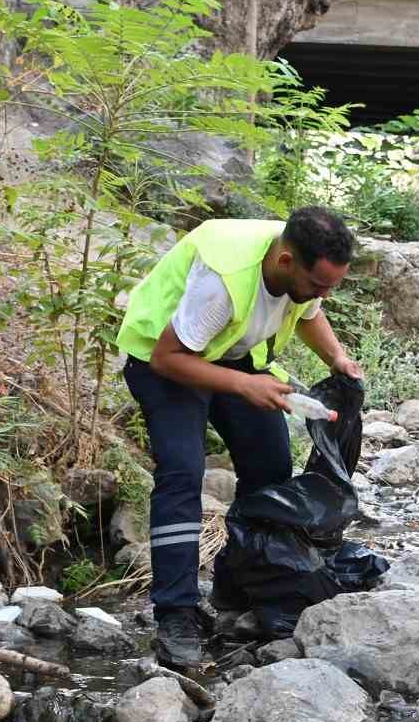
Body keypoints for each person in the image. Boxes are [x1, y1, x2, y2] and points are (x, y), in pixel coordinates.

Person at [113, 207, 362, 666]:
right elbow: (170, 358)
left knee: (271, 468)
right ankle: (176, 614)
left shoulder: (301, 263)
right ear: (286, 262)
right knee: (182, 474)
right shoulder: (223, 281)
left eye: (331, 286)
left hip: (230, 357)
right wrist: (246, 386)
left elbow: (308, 313)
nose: (324, 294)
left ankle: (237, 585)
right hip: (163, 361)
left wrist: (337, 359)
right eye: (318, 284)